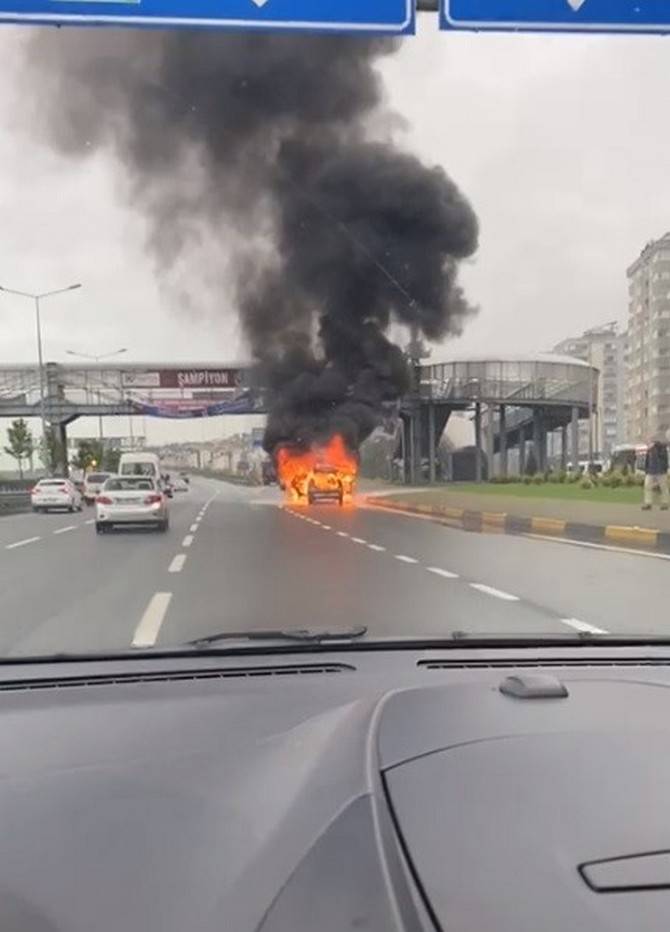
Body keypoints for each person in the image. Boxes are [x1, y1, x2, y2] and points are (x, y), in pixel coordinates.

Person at [642, 437, 669, 510]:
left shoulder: (661, 448)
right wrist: (646, 469)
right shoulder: (649, 450)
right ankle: (648, 503)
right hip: (650, 471)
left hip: (661, 471)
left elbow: (664, 459)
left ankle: (665, 503)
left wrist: (665, 469)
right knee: (647, 486)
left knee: (663, 487)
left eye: (648, 443)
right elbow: (647, 460)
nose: (647, 444)